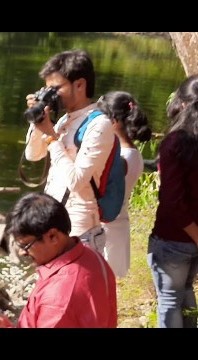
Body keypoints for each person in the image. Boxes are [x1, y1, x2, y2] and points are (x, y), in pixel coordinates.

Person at [24, 49, 115, 253]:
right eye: (47, 89)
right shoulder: (65, 119)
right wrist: (37, 120)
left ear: (80, 84)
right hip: (52, 227)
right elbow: (33, 155)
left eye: (55, 88)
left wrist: (50, 136)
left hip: (80, 233)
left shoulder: (99, 124)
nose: (51, 95)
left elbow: (76, 181)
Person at [0, 192, 117, 328]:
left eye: (26, 245)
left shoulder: (56, 300)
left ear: (53, 236)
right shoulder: (91, 256)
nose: (21, 252)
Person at [147, 74, 198, 328]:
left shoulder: (175, 143)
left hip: (173, 238)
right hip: (193, 238)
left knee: (169, 300)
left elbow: (172, 202)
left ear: (184, 103)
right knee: (186, 292)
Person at [96, 91, 152, 278]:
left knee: (102, 279)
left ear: (113, 121)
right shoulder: (133, 152)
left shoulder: (121, 159)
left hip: (109, 227)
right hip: (119, 222)